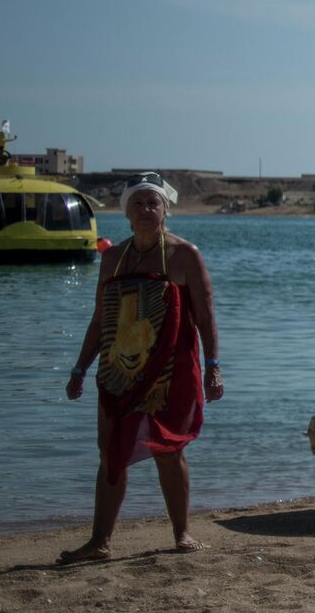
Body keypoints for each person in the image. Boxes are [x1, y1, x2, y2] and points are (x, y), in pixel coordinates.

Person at [59, 173, 223, 563]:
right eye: (138, 204)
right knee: (110, 451)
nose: (146, 210)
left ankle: (182, 534)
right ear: (126, 213)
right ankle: (100, 542)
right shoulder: (114, 258)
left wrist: (214, 366)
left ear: (165, 209)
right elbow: (101, 320)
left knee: (169, 450)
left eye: (153, 203)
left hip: (172, 372)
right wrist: (80, 368)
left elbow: (206, 315)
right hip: (119, 371)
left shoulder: (184, 255)